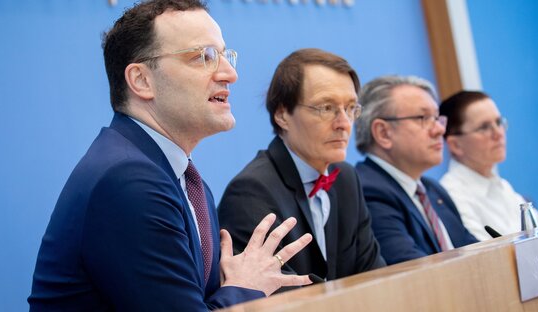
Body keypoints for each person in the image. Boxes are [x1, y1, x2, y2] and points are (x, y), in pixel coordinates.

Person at [28, 1, 314, 310]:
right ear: (141, 80)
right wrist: (245, 288)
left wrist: (235, 284)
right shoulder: (128, 181)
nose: (230, 74)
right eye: (203, 57)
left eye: (225, 55)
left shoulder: (181, 178)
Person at [218, 49, 386, 286]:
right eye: (326, 108)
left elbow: (374, 274)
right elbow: (276, 294)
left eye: (350, 109)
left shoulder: (346, 178)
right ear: (282, 115)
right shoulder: (251, 191)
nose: (343, 124)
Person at [353, 75, 478, 265]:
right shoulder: (366, 191)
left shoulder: (432, 189)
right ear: (383, 133)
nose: (439, 130)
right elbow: (412, 270)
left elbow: (474, 251)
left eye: (437, 118)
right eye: (424, 118)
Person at [439, 90, 538, 241]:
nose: (498, 133)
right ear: (455, 145)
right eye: (484, 127)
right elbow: (486, 257)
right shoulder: (451, 196)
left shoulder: (504, 187)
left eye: (498, 122)